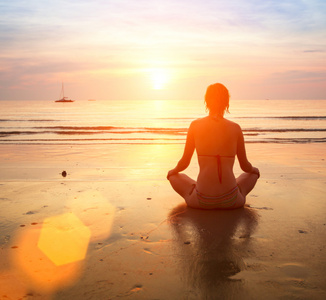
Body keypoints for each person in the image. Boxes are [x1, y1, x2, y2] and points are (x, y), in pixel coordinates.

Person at [167, 83, 260, 209]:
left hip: (202, 201)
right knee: (250, 175)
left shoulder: (195, 125)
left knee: (177, 176)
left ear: (206, 100)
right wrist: (255, 170)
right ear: (226, 102)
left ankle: (197, 187)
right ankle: (235, 192)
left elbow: (184, 163)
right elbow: (245, 166)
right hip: (232, 200)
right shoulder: (235, 128)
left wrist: (172, 171)